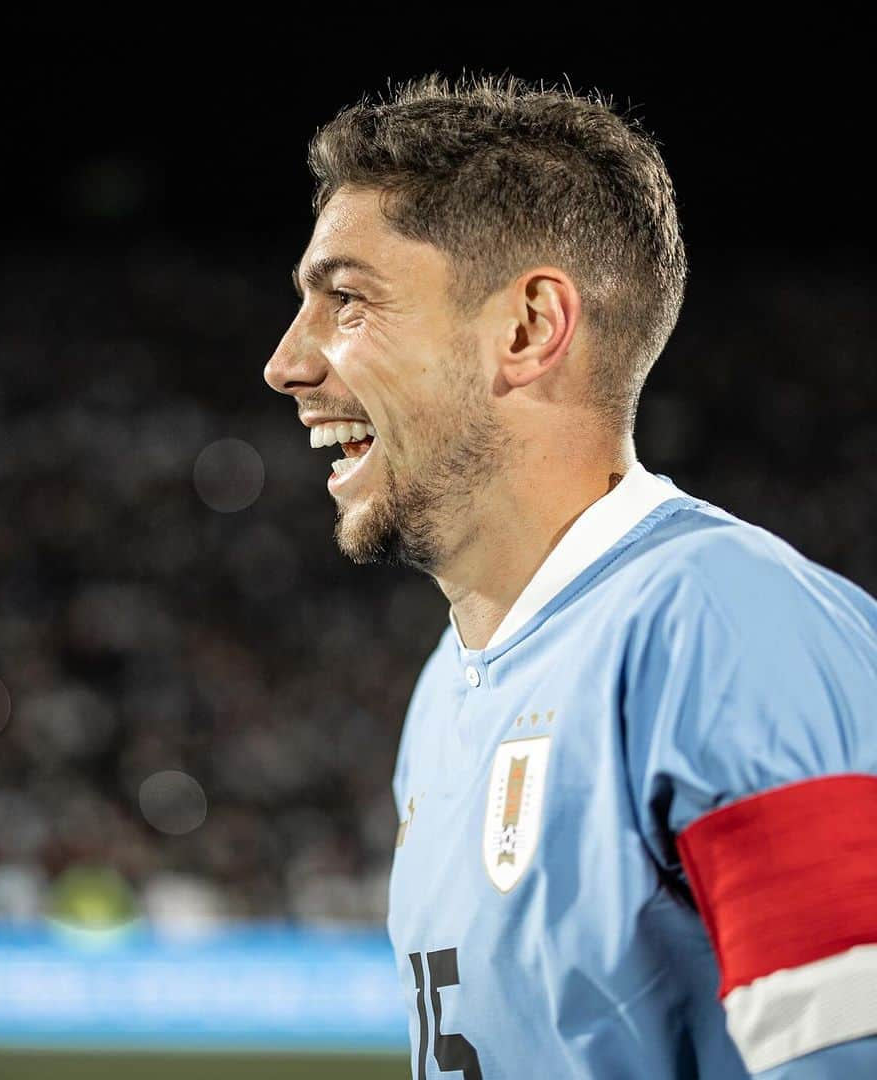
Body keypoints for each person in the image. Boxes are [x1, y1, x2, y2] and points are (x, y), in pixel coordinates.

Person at [262, 71, 877, 1078]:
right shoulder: (447, 690)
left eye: (347, 300)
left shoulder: (728, 627)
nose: (287, 362)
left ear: (528, 328)